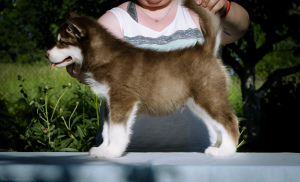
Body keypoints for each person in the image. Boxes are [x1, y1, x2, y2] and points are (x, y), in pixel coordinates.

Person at [67, 0, 249, 152]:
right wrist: (83, 66)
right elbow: (94, 62)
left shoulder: (195, 8)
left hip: (198, 150)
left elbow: (240, 26)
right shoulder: (114, 20)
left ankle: (228, 137)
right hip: (131, 153)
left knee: (212, 104)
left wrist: (224, 6)